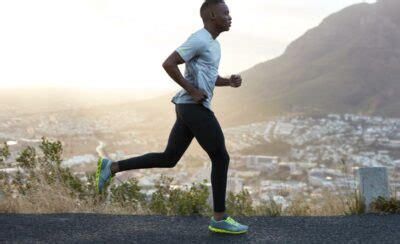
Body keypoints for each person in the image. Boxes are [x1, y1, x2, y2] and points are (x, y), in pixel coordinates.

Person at [96, 0, 249, 234]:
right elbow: (169, 63)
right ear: (211, 15)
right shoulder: (199, 38)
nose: (230, 17)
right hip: (193, 107)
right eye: (225, 13)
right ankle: (219, 218)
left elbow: (209, 76)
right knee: (221, 157)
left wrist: (228, 81)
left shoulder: (213, 44)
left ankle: (112, 166)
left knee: (169, 158)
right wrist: (192, 90)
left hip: (188, 107)